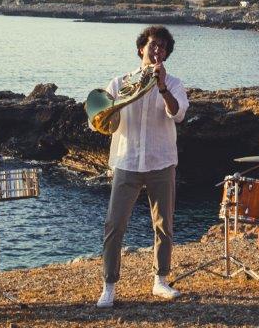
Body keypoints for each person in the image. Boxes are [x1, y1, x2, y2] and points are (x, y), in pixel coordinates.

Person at [97, 25, 189, 307]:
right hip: (127, 160)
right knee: (115, 224)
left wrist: (161, 87)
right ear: (141, 48)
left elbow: (178, 114)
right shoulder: (119, 82)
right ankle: (109, 285)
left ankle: (160, 280)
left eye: (162, 47)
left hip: (161, 161)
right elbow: (105, 119)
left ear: (167, 54)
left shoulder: (173, 84)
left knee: (164, 225)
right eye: (153, 44)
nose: (157, 49)